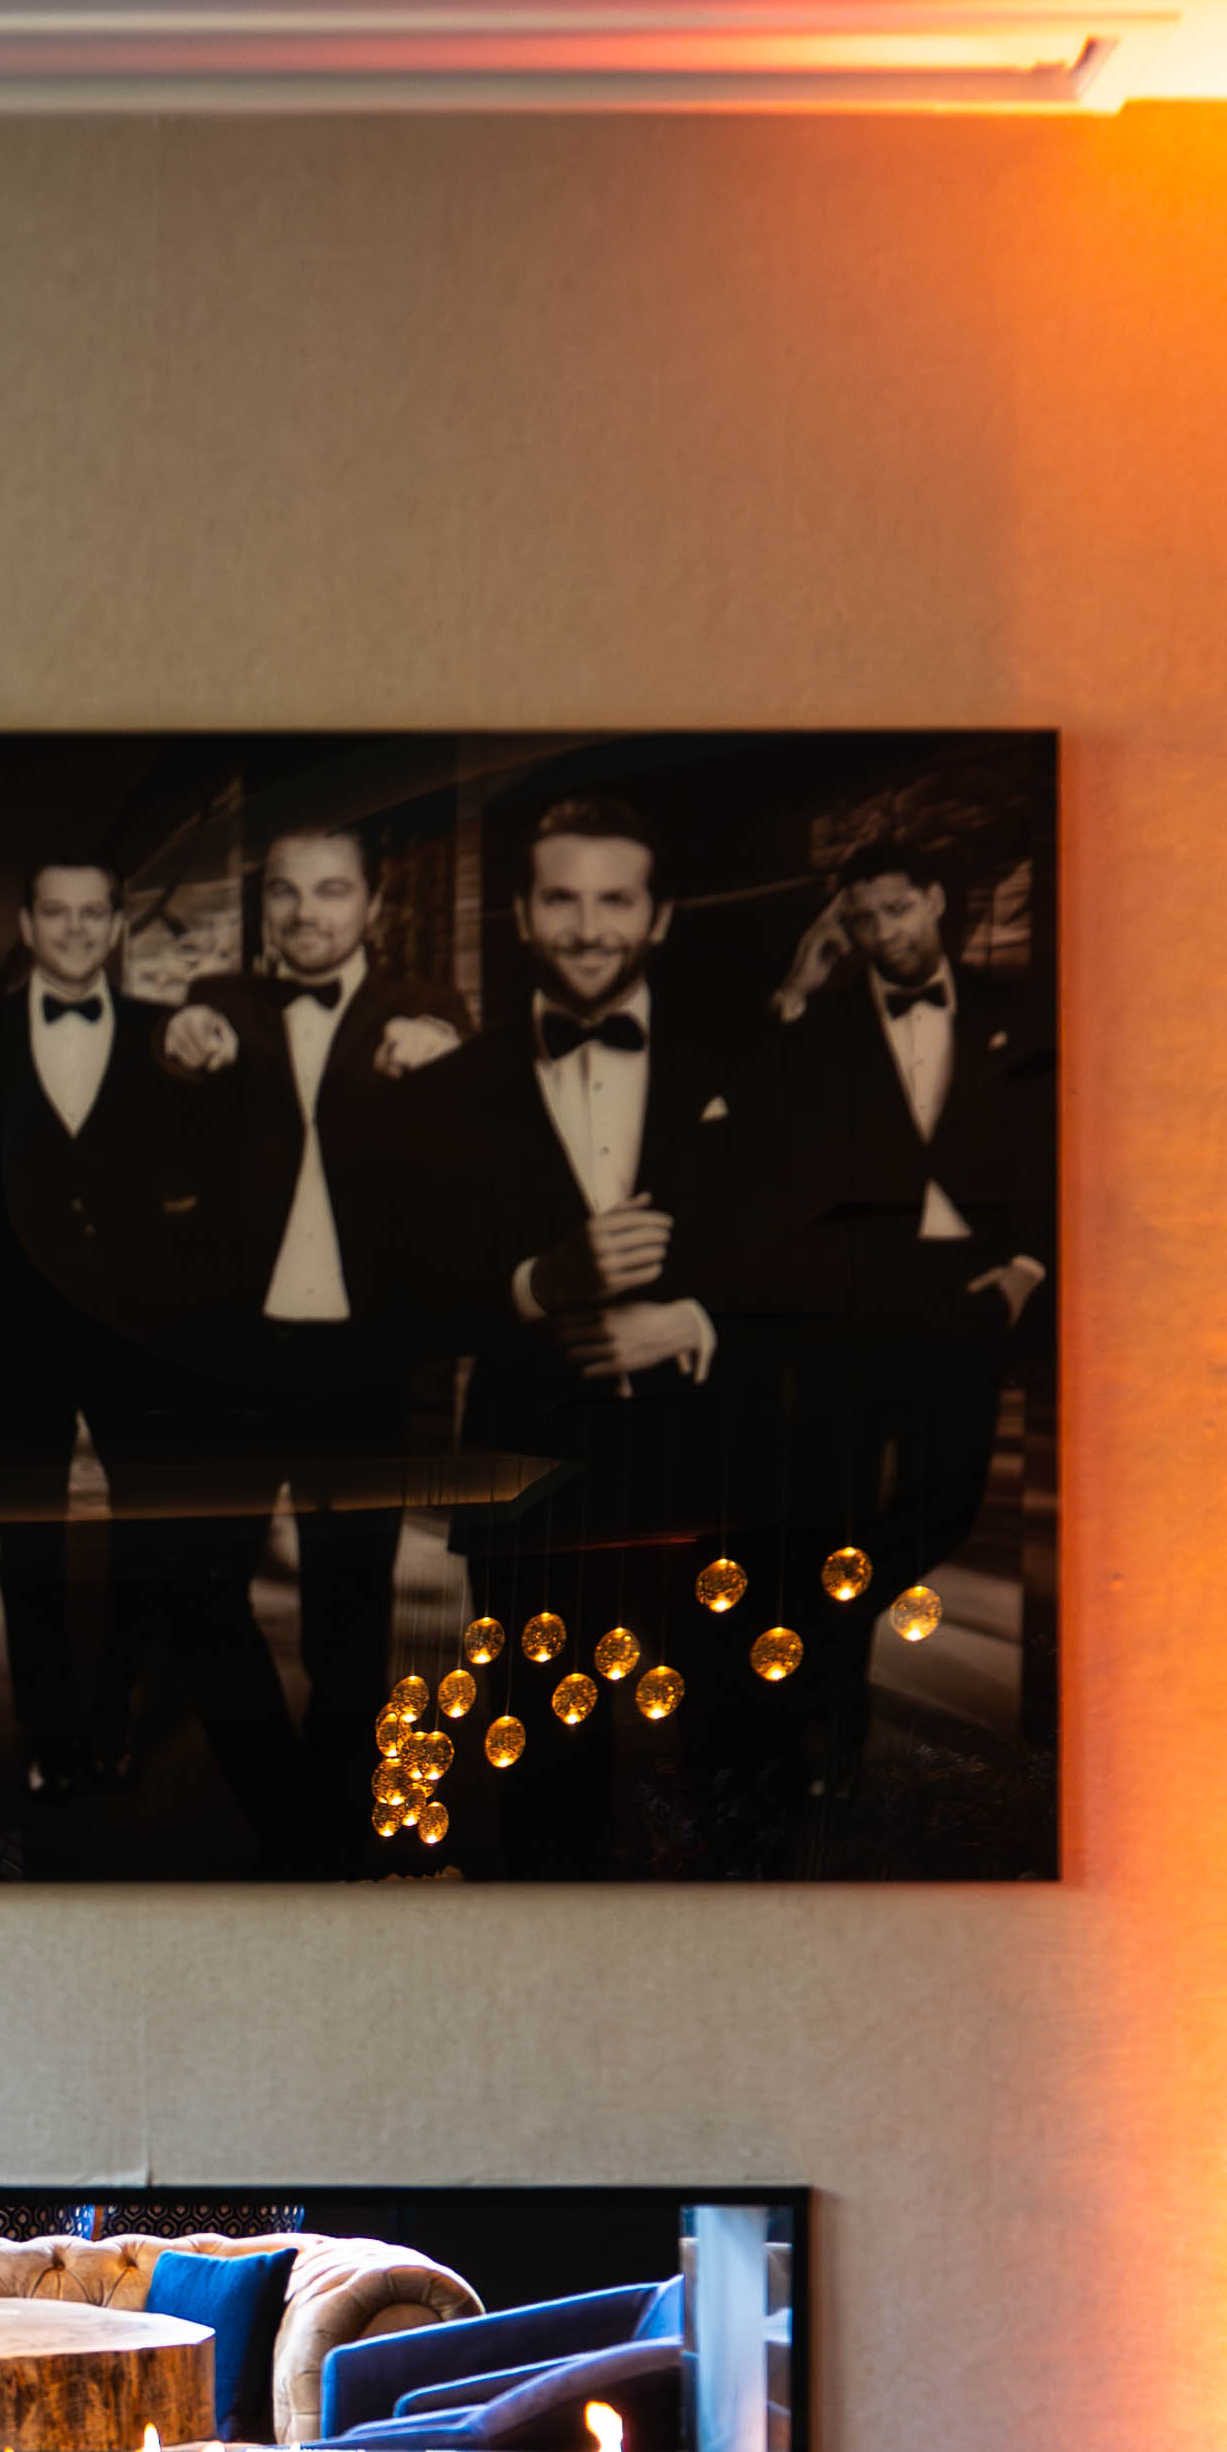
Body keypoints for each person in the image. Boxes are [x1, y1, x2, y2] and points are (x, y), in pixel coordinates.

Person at [0, 854, 298, 1833]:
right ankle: (50, 1735)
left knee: (146, 1532)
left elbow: (230, 1149)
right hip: (19, 1325)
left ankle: (113, 1705)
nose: (73, 929)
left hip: (135, 1325)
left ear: (115, 928)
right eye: (55, 913)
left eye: (92, 913)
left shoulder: (164, 1031)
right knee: (29, 1533)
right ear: (27, 926)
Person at [432, 789, 810, 1874]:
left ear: (660, 915)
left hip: (720, 1465)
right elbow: (405, 1291)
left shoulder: (751, 1070)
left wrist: (695, 1319)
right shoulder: (452, 1091)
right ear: (521, 914)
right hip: (533, 1472)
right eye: (562, 899)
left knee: (741, 1752)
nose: (589, 927)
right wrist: (535, 1284)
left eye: (616, 899)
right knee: (546, 1777)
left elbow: (819, 1264)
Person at [156, 814, 470, 1836]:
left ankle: (328, 1818)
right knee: (199, 1594)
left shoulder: (428, 1008)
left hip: (360, 1364)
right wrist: (174, 1051)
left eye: (331, 889)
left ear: (372, 902)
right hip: (232, 1363)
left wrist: (451, 1061)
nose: (305, 912)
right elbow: (166, 1097)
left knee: (350, 1613)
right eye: (285, 890)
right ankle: (281, 1802)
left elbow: (477, 1138)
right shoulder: (217, 1003)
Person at [769, 831, 1051, 1796]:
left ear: (934, 899)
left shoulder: (1017, 1009)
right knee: (833, 1521)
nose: (882, 932)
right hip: (851, 1305)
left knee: (947, 1505)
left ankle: (822, 1630)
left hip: (967, 1297)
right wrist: (797, 989)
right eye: (860, 920)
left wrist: (1025, 1266)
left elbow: (1054, 1138)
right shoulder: (823, 1021)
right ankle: (831, 1753)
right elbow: (774, 1137)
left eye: (895, 910)